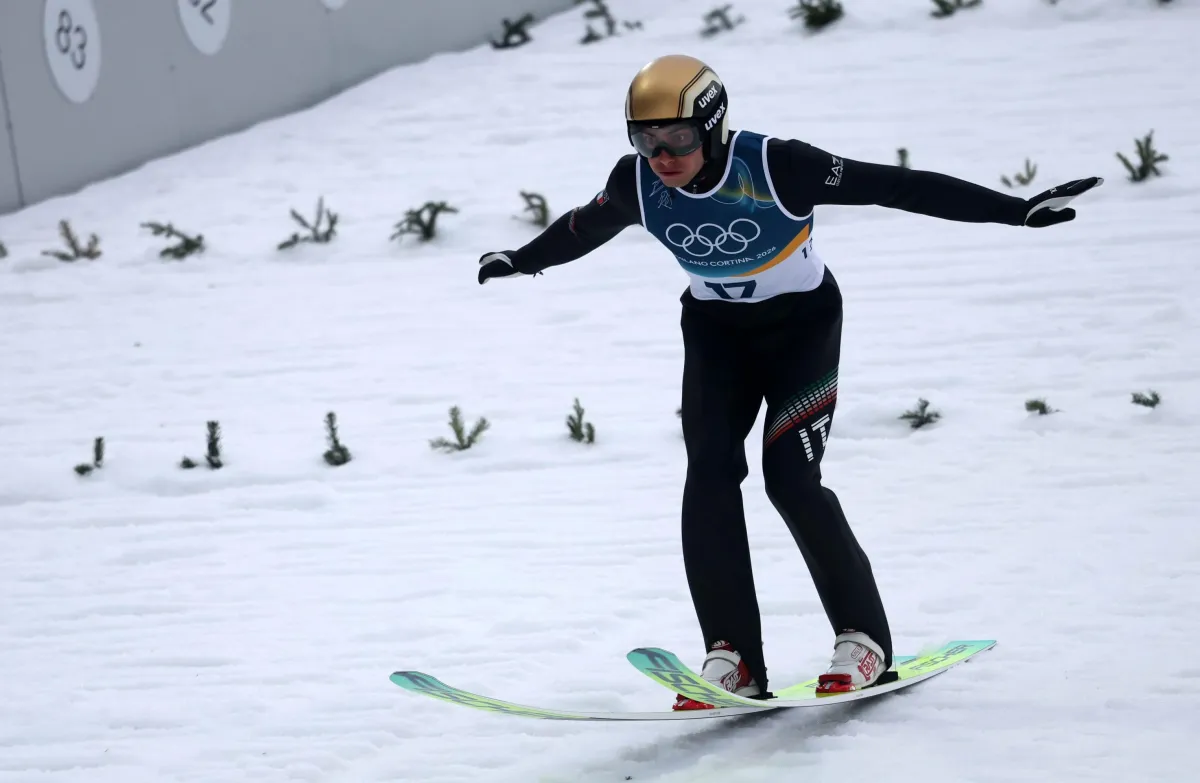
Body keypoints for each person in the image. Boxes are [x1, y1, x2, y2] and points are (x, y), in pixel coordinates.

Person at [477, 54, 1101, 710]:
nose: (662, 156)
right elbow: (584, 224)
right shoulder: (637, 183)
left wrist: (1014, 210)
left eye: (679, 139)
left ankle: (864, 641)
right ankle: (733, 657)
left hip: (802, 330)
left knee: (790, 479)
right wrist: (522, 259)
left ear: (713, 127)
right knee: (709, 475)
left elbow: (896, 186)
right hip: (717, 336)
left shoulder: (780, 166)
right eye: (646, 140)